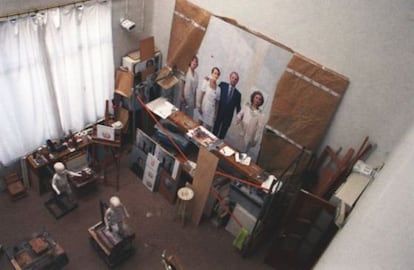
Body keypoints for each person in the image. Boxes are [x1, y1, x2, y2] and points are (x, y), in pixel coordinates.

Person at [213, 71, 241, 139]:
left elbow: (238, 108)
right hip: (218, 113)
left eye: (236, 79)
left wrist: (241, 116)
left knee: (222, 136)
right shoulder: (222, 85)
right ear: (230, 78)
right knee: (214, 132)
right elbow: (214, 89)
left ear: (237, 81)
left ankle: (217, 148)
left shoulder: (238, 94)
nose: (234, 80)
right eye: (233, 78)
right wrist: (209, 80)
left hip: (228, 118)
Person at [197, 67, 221, 131]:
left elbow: (217, 103)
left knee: (207, 130)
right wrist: (199, 106)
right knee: (198, 127)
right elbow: (202, 94)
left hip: (211, 111)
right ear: (212, 73)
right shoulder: (206, 81)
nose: (216, 75)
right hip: (204, 107)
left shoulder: (218, 89)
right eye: (215, 73)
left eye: (218, 74)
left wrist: (215, 114)